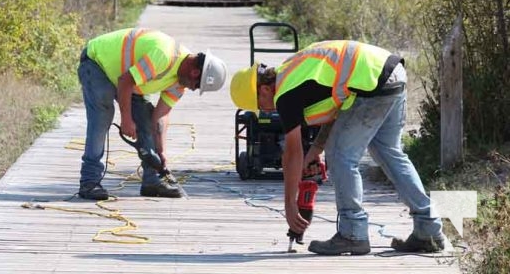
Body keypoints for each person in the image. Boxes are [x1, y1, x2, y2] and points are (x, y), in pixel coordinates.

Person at [230, 40, 445, 255]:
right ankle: (428, 228)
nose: (264, 110)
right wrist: (315, 151)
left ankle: (353, 233)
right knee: (388, 152)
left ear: (265, 88)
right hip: (389, 71)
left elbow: (292, 153)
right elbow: (339, 109)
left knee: (341, 156)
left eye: (259, 104)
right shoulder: (293, 72)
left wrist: (289, 205)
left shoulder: (285, 94)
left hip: (372, 84)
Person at [78, 27, 227, 200]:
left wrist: (160, 151)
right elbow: (125, 81)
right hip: (97, 64)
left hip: (128, 79)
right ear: (195, 72)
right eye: (197, 86)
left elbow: (159, 117)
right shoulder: (164, 56)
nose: (194, 89)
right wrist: (126, 119)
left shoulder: (180, 84)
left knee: (146, 119)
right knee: (103, 115)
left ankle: (152, 181)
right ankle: (89, 182)